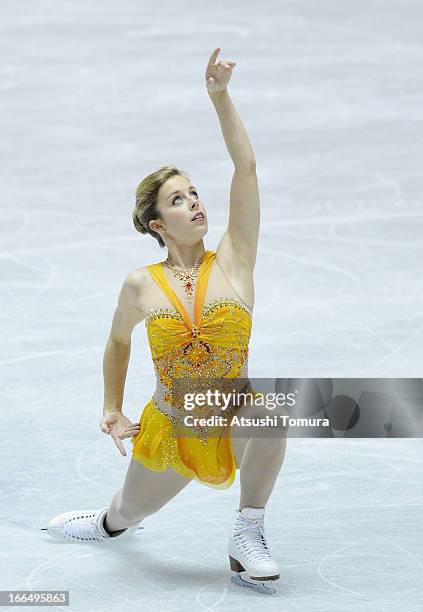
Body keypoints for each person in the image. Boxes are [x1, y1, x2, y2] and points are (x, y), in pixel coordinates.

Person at [43, 48, 288, 595]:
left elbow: (245, 169)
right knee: (126, 513)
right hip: (171, 428)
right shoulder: (140, 285)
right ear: (157, 222)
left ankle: (248, 532)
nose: (196, 204)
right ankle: (107, 524)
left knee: (270, 412)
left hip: (231, 417)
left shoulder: (234, 261)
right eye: (180, 199)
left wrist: (220, 98)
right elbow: (116, 340)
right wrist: (111, 408)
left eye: (196, 193)